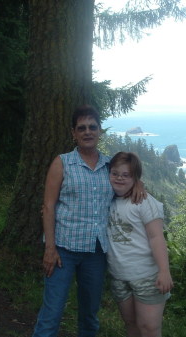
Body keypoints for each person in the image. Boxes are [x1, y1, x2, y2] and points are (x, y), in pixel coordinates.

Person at [32, 105, 145, 337]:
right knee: (51, 314)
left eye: (92, 127)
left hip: (96, 253)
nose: (87, 132)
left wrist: (139, 183)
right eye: (81, 128)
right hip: (63, 251)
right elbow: (48, 206)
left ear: (100, 131)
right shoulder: (62, 163)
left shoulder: (109, 167)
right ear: (73, 133)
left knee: (89, 316)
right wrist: (50, 248)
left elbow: (125, 182)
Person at [107, 152, 173, 337]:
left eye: (126, 175)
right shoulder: (106, 198)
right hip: (119, 276)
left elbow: (156, 237)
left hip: (146, 276)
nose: (119, 178)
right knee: (131, 325)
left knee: (149, 328)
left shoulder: (143, 201)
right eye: (115, 173)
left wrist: (164, 271)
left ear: (135, 178)